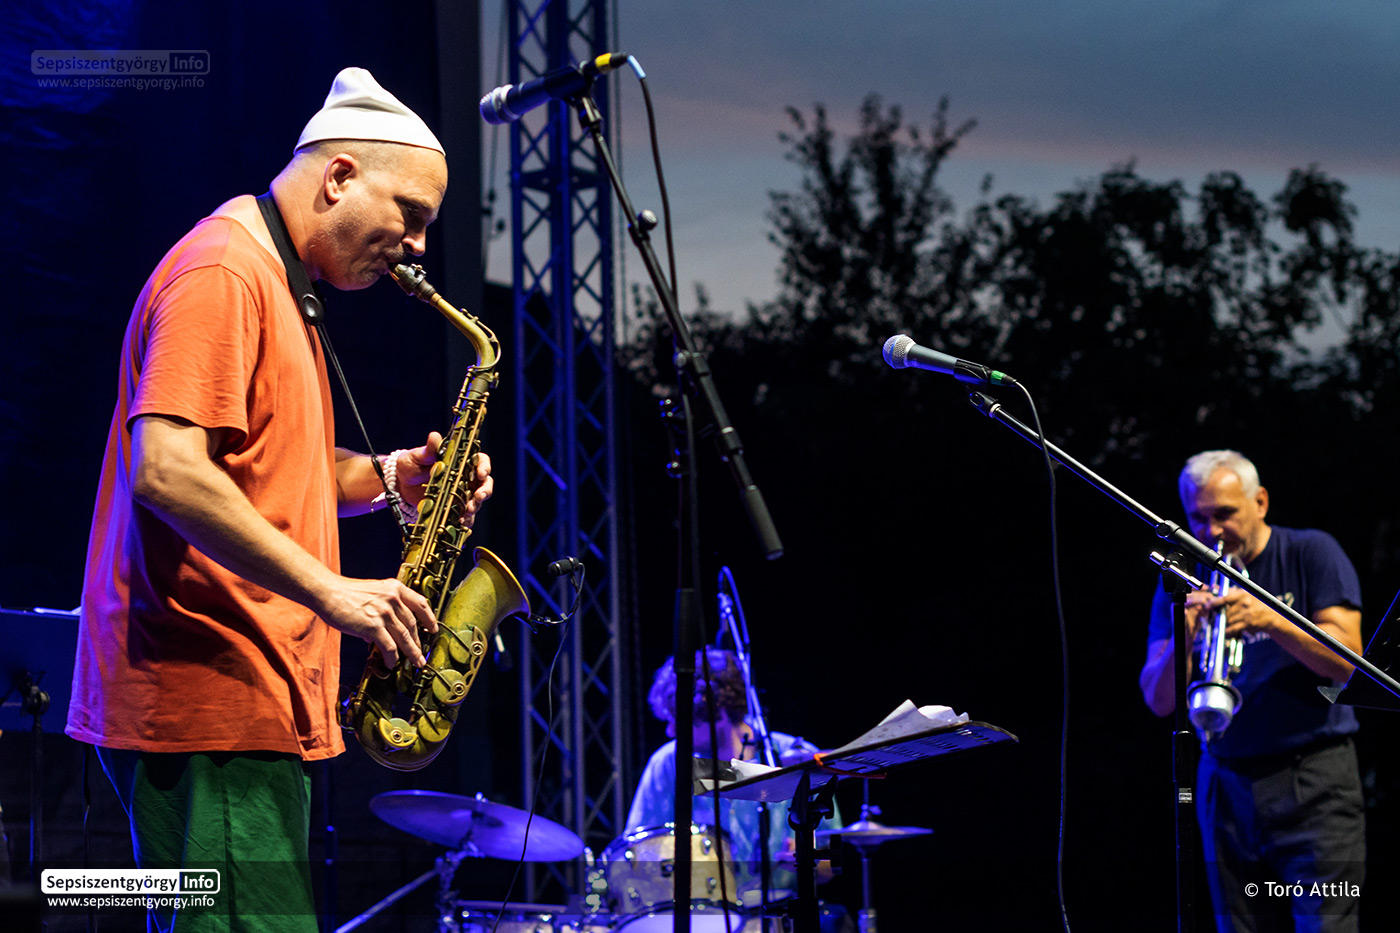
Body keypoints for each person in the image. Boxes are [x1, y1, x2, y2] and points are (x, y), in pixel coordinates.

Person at [64, 67, 490, 932]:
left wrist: (393, 476)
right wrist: (334, 592)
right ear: (340, 177)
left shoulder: (278, 283)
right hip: (211, 698)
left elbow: (266, 466)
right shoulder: (226, 271)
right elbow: (168, 471)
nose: (417, 246)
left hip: (242, 702)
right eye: (411, 214)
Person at [1139, 450, 1365, 932]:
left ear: (1260, 502)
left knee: (1328, 924)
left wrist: (1272, 620)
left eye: (1225, 514)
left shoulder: (1310, 551)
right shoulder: (1181, 581)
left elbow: (1350, 663)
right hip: (1225, 781)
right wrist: (1186, 632)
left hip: (1314, 780)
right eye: (1198, 518)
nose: (1212, 531)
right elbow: (1158, 700)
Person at [623, 649, 845, 929]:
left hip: (782, 917)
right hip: (701, 920)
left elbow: (831, 866)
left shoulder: (794, 756)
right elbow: (636, 856)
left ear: (716, 713)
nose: (670, 731)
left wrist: (806, 859)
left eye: (679, 720)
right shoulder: (667, 764)